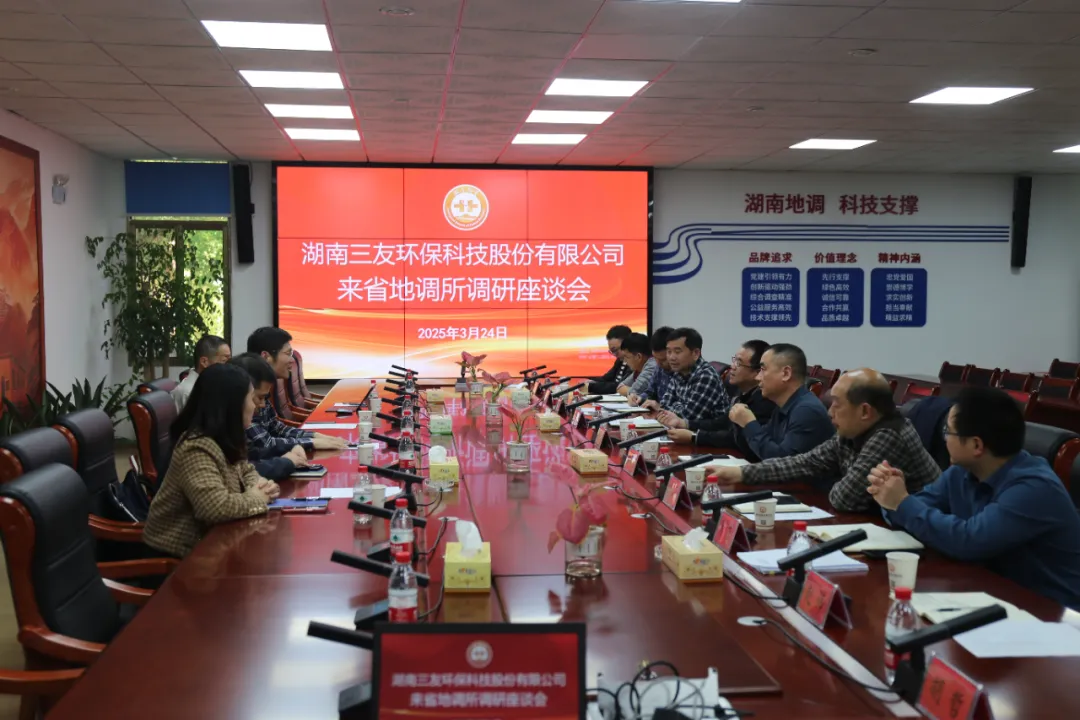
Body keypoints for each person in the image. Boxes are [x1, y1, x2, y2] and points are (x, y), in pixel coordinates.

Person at [869, 387, 1080, 609]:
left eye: (948, 431)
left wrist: (901, 502)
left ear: (976, 445)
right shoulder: (961, 472)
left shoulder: (1034, 488)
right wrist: (891, 496)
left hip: (1053, 612)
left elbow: (969, 541)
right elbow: (914, 510)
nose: (944, 438)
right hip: (991, 594)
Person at [713, 369, 939, 512]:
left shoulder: (888, 435)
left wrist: (832, 480)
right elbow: (806, 462)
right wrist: (742, 473)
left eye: (837, 405)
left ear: (864, 411)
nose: (830, 413)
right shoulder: (855, 429)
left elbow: (844, 499)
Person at [143, 363, 280, 558]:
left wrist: (258, 487)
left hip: (214, 544)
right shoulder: (196, 446)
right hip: (178, 559)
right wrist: (258, 498)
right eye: (251, 398)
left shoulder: (225, 437)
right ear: (232, 406)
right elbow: (215, 508)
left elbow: (246, 470)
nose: (257, 405)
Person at [246, 327, 346, 453]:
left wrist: (316, 436)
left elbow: (277, 428)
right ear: (266, 356)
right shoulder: (246, 389)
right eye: (288, 354)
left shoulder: (262, 388)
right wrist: (312, 443)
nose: (292, 360)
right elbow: (265, 443)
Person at [665, 340, 776, 449]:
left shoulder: (765, 401)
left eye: (739, 363)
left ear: (757, 372)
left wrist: (695, 437)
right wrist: (685, 423)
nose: (732, 366)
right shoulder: (742, 391)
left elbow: (739, 439)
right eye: (734, 360)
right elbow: (723, 422)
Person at [732, 343, 833, 461]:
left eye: (763, 370)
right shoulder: (783, 404)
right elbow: (757, 451)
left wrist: (749, 423)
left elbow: (782, 462)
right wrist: (743, 424)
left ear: (786, 374)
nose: (758, 377)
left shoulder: (806, 410)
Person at [230, 353, 310, 481]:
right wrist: (287, 461)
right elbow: (243, 473)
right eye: (256, 398)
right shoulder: (211, 440)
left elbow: (254, 453)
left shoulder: (234, 428)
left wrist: (291, 447)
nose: (261, 405)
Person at [649, 327, 728, 426]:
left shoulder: (706, 376)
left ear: (695, 353)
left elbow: (687, 417)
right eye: (669, 352)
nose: (671, 357)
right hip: (681, 430)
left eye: (677, 352)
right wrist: (678, 406)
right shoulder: (679, 371)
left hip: (705, 434)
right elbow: (664, 404)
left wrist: (674, 406)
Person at [171, 334, 231, 413]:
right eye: (224, 361)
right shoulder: (189, 392)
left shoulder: (213, 384)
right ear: (204, 362)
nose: (230, 366)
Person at [629, 326, 673, 406]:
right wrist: (639, 398)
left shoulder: (682, 372)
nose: (658, 363)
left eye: (663, 360)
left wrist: (659, 407)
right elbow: (650, 392)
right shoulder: (659, 368)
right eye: (655, 358)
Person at [589, 325, 634, 395]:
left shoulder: (635, 362)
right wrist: (589, 381)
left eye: (615, 350)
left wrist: (591, 387)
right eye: (612, 351)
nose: (614, 354)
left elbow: (619, 386)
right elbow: (606, 378)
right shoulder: (620, 360)